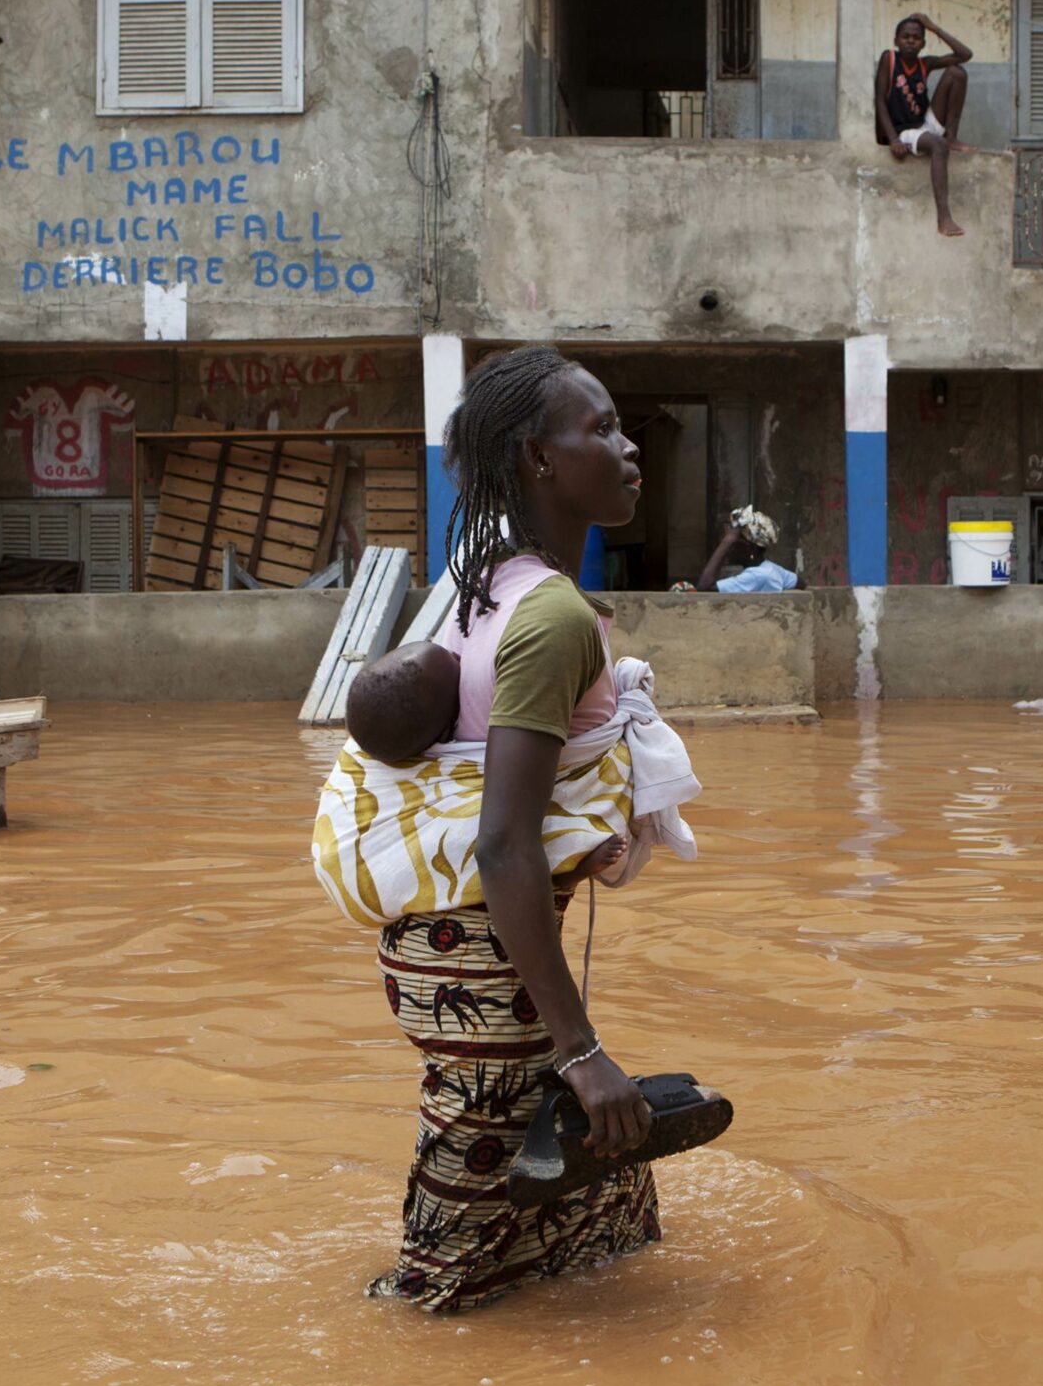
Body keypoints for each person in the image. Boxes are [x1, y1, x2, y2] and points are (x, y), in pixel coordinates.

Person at [336, 346, 667, 1312]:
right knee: (442, 1280)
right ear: (539, 458)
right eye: (600, 427)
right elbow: (505, 839)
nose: (628, 444)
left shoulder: (482, 589)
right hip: (491, 969)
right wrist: (578, 1049)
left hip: (465, 954)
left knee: (606, 1212)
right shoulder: (550, 614)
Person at [875, 13, 972, 239]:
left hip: (924, 123)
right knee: (937, 145)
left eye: (917, 37)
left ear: (923, 43)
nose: (910, 41)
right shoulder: (888, 59)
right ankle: (944, 218)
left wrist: (934, 27)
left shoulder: (925, 63)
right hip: (903, 131)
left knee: (957, 72)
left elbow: (965, 55)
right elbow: (879, 99)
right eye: (905, 36)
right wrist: (893, 139)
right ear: (896, 40)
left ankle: (952, 137)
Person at [345, 642, 461, 764]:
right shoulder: (470, 773)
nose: (455, 653)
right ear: (445, 734)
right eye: (457, 663)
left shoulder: (348, 770)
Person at [697, 506, 798, 593]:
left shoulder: (758, 576)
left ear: (751, 549)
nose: (728, 549)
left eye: (733, 543)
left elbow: (704, 587)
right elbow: (800, 582)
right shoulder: (770, 568)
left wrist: (728, 540)